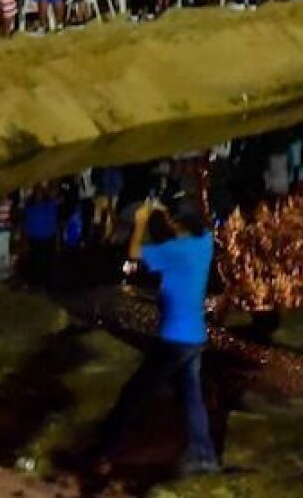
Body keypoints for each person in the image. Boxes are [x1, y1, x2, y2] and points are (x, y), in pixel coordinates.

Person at [89, 195, 218, 480]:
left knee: (133, 394)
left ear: (179, 224)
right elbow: (198, 227)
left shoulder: (172, 251)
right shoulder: (204, 244)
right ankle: (204, 454)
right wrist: (165, 215)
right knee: (191, 396)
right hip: (196, 335)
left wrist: (142, 221)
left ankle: (104, 449)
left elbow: (134, 253)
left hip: (173, 339)